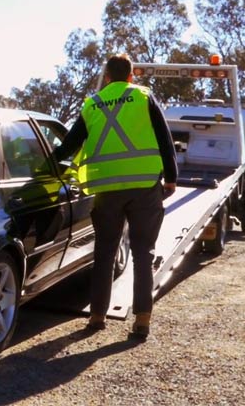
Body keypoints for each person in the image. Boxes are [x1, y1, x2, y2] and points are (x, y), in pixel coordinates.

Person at [54, 53, 178, 339]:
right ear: (131, 76)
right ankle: (142, 321)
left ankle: (97, 317)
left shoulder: (92, 104)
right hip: (145, 185)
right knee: (143, 254)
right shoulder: (143, 97)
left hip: (107, 188)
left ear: (107, 77)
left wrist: (46, 161)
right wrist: (171, 179)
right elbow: (164, 139)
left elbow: (70, 145)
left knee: (105, 252)